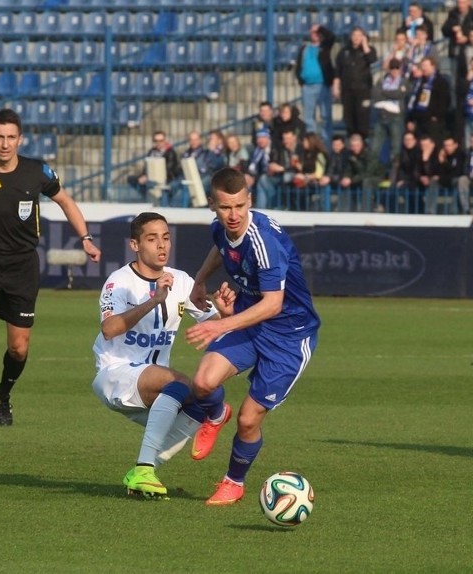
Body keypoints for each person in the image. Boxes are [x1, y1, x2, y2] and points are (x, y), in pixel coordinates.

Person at [127, 167, 320, 505]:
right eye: (225, 207)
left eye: (240, 207)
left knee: (248, 419)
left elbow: (273, 305)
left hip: (289, 335)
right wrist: (201, 280)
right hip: (249, 321)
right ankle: (216, 414)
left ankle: (233, 481)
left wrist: (219, 324)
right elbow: (221, 246)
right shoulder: (221, 227)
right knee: (202, 383)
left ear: (250, 202)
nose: (233, 215)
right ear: (213, 206)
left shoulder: (265, 244)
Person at [0, 108, 101, 429]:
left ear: (20, 139)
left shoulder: (37, 172)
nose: (5, 143)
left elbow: (66, 202)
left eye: (11, 137)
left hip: (22, 265)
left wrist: (86, 238)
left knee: (19, 347)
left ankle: (3, 393)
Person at [92, 212, 235, 498]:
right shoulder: (118, 281)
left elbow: (213, 326)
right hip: (115, 373)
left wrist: (225, 314)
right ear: (135, 244)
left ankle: (143, 472)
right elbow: (109, 329)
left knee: (197, 404)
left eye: (166, 238)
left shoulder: (181, 281)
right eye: (152, 238)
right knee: (184, 384)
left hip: (157, 386)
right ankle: (216, 414)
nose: (162, 245)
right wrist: (153, 301)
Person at [334, 27, 378, 140]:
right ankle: (352, 142)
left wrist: (365, 45)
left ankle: (362, 144)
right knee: (349, 119)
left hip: (363, 90)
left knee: (362, 119)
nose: (356, 38)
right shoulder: (344, 52)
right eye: (354, 35)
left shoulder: (369, 49)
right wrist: (336, 87)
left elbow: (372, 59)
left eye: (359, 35)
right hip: (347, 91)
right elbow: (338, 71)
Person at [294, 24, 335, 142]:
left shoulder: (325, 46)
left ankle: (326, 144)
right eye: (313, 32)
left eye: (317, 33)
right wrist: (300, 79)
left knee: (326, 116)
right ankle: (312, 143)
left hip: (323, 86)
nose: (315, 34)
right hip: (307, 87)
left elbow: (331, 37)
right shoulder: (304, 48)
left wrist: (320, 28)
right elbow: (298, 65)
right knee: (308, 118)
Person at [371, 58, 412, 165]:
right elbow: (375, 94)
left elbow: (400, 94)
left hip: (396, 117)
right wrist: (391, 94)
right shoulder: (382, 80)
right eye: (392, 69)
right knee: (375, 147)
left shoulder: (404, 81)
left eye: (397, 68)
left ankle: (394, 172)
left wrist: (384, 93)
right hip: (382, 116)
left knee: (396, 147)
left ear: (400, 69)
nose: (394, 71)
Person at [407, 57, 452, 145]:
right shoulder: (421, 82)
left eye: (426, 65)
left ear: (433, 66)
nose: (423, 68)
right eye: (422, 66)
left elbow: (445, 101)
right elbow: (416, 100)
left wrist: (436, 116)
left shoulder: (441, 82)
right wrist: (411, 119)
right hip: (420, 120)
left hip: (433, 121)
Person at [127, 131, 180, 205]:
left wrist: (149, 176)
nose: (158, 143)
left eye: (161, 141)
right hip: (151, 176)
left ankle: (158, 200)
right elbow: (147, 166)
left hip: (166, 178)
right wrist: (144, 175)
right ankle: (150, 197)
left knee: (154, 184)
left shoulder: (170, 152)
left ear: (165, 141)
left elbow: (169, 169)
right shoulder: (152, 151)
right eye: (156, 141)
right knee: (132, 179)